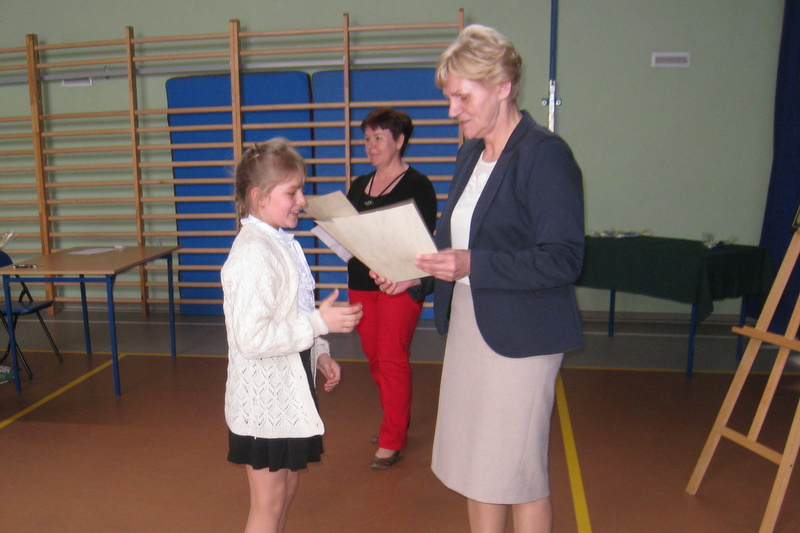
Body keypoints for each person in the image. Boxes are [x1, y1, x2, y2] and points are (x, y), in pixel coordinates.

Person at [374, 25, 584, 533]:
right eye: (450, 98)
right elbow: (455, 243)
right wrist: (413, 276)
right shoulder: (470, 153)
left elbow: (564, 259)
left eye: (462, 97)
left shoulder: (544, 155)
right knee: (477, 467)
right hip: (470, 326)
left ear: (503, 87)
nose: (453, 111)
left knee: (517, 472)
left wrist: (474, 265)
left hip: (522, 336)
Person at [221, 138, 363, 533]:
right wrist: (319, 324)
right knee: (267, 503)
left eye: (301, 190)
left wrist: (320, 350)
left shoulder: (280, 242)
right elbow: (253, 339)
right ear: (259, 197)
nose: (302, 200)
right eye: (292, 192)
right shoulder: (252, 254)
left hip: (289, 392)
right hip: (263, 402)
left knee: (287, 488)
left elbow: (295, 312)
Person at [346, 107, 438, 469]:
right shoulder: (358, 185)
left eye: (378, 138)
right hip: (360, 283)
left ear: (399, 141)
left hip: (399, 285)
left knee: (391, 358)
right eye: (367, 138)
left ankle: (392, 438)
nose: (370, 145)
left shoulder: (418, 185)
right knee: (375, 358)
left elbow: (420, 242)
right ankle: (394, 418)